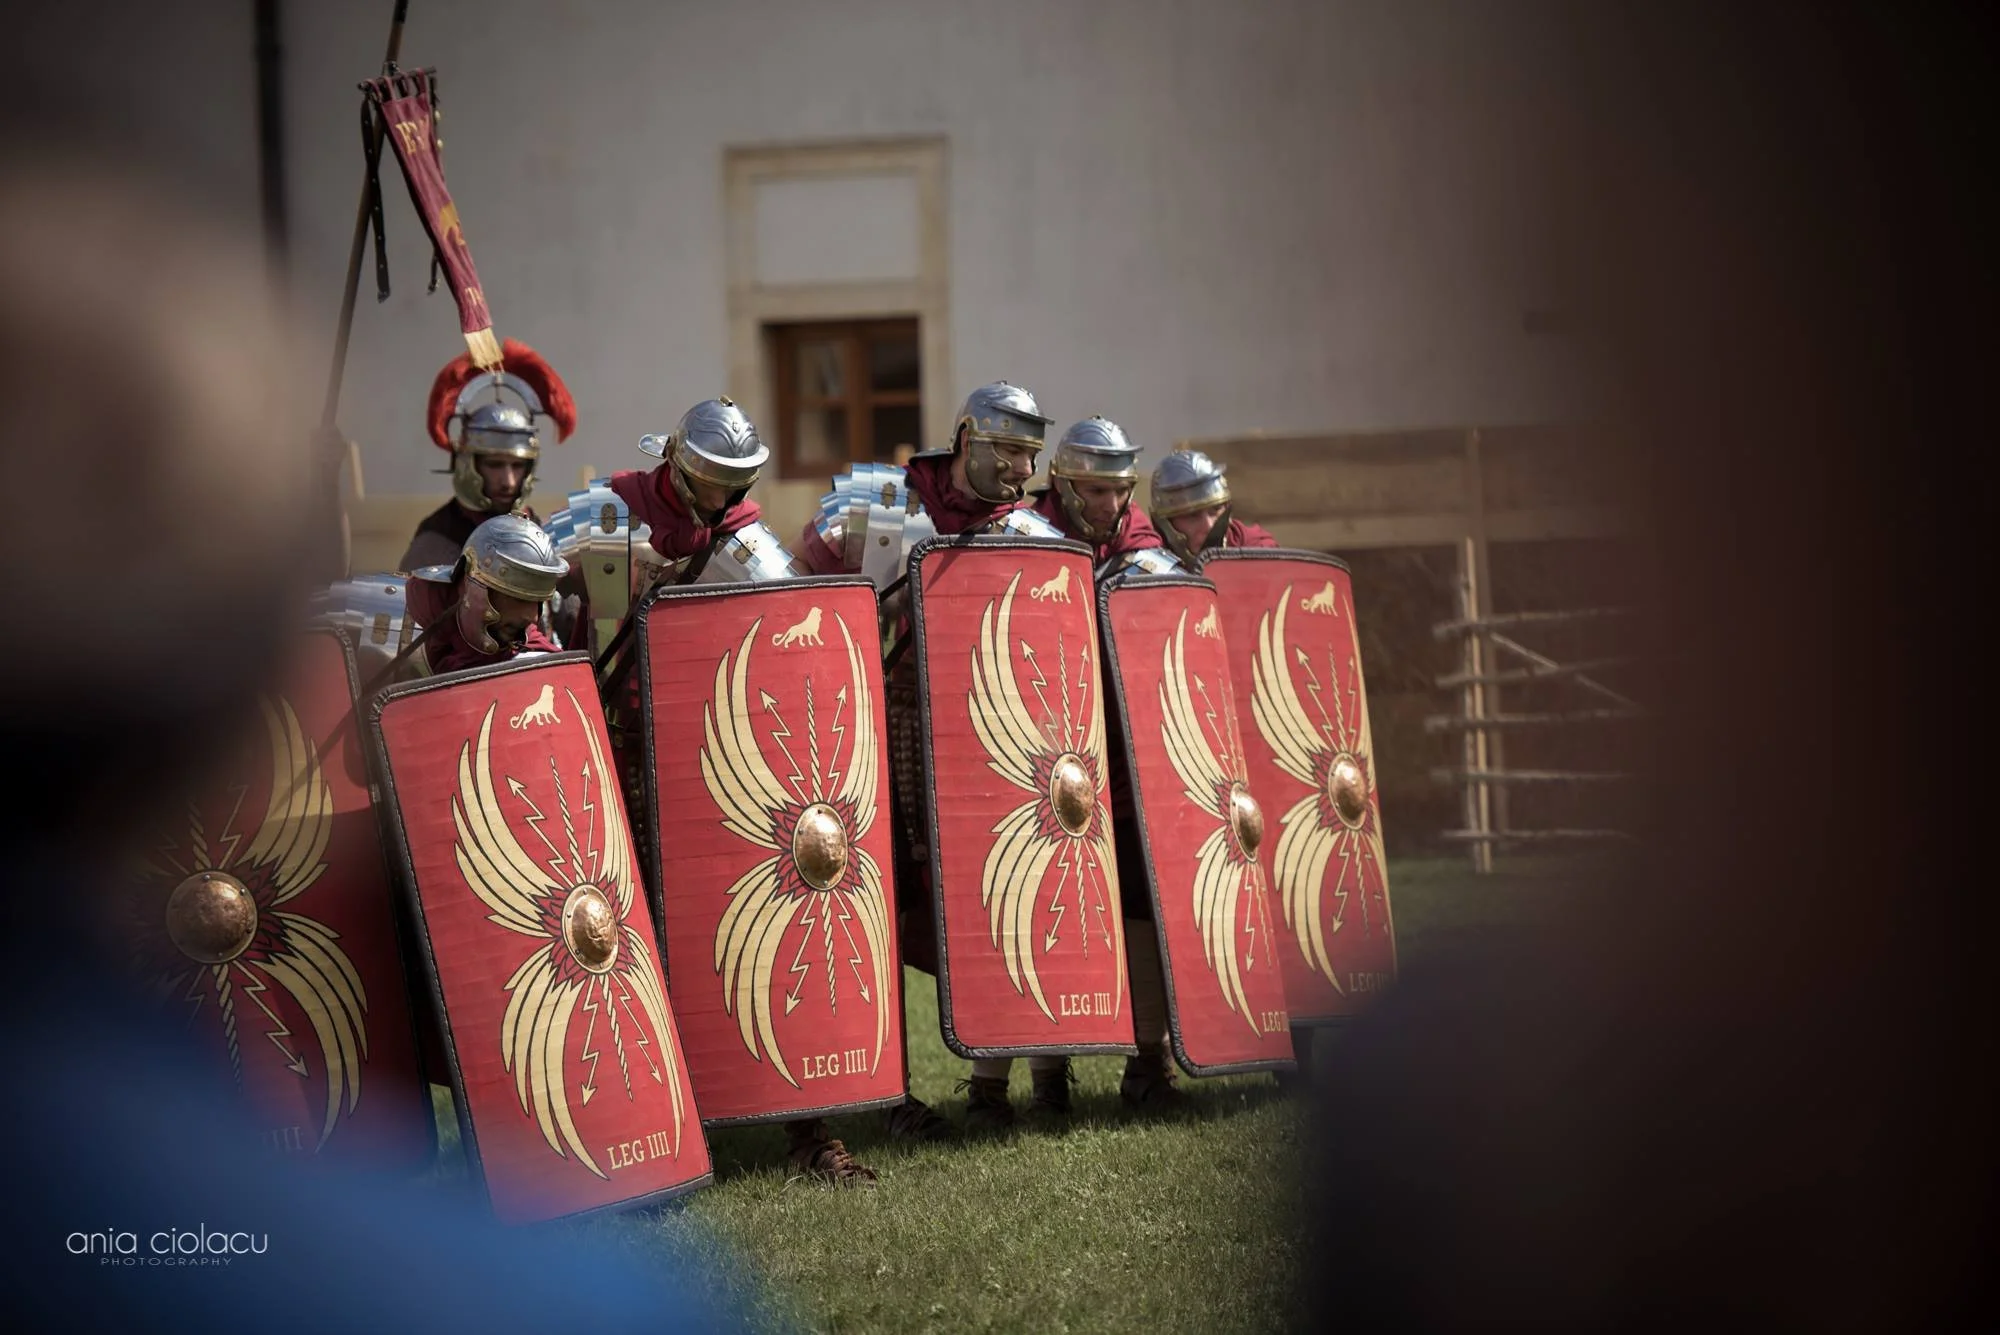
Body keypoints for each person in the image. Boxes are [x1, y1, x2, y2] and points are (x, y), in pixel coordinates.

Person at [3, 138, 745, 1332]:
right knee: (453, 978)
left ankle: (578, 1132)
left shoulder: (547, 532)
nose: (503, 479)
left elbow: (565, 645)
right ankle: (467, 1147)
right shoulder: (433, 552)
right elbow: (426, 665)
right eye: (488, 461)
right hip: (442, 804)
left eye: (516, 463)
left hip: (546, 793)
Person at [799, 381, 1074, 1135]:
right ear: (966, 441)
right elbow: (794, 605)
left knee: (1004, 896)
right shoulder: (875, 503)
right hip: (870, 739)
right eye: (1008, 453)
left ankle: (1026, 1069)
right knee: (864, 911)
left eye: (1030, 455)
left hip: (982, 752)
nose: (1022, 472)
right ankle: (882, 1091)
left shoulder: (1032, 533)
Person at [399, 339, 576, 572]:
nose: (509, 481)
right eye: (495, 465)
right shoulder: (439, 540)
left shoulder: (540, 532)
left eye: (517, 466)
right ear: (468, 463)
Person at [1033, 416, 1178, 577]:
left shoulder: (1140, 541)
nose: (1112, 507)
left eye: (1121, 491)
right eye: (1097, 491)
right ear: (1060, 484)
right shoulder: (1029, 541)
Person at [1147, 447, 1279, 565]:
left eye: (1216, 510)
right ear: (1165, 524)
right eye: (1192, 515)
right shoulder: (1149, 567)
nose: (1209, 525)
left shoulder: (1258, 552)